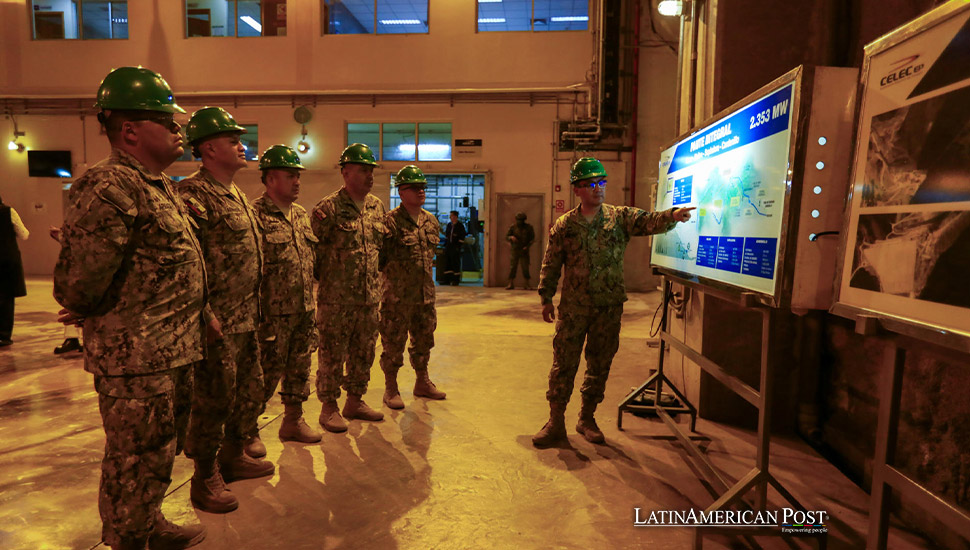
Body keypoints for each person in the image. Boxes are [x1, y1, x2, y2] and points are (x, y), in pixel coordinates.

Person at [53, 66, 207, 550]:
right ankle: (126, 538)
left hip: (172, 351)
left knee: (158, 455)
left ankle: (148, 521)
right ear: (131, 130)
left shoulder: (157, 185)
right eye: (168, 120)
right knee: (133, 458)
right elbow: (79, 284)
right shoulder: (107, 186)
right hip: (135, 360)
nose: (180, 129)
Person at [533, 157, 694, 448]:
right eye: (592, 184)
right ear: (578, 189)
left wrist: (672, 215)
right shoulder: (565, 225)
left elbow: (648, 221)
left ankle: (587, 418)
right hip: (573, 308)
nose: (599, 188)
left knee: (600, 364)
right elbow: (551, 262)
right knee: (563, 364)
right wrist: (545, 297)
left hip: (608, 307)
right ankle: (556, 421)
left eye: (602, 182)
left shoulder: (619, 217)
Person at [177, 106, 271, 514]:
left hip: (246, 317)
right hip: (216, 322)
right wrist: (204, 313)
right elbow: (188, 263)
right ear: (208, 148)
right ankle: (204, 475)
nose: (242, 145)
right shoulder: (193, 196)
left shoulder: (238, 196)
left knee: (247, 392)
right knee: (212, 400)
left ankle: (233, 456)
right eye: (233, 140)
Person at [311, 143, 387, 432]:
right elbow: (312, 256)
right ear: (345, 173)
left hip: (369, 299)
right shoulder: (327, 209)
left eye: (371, 171)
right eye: (363, 170)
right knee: (332, 354)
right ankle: (328, 407)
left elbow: (381, 252)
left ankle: (355, 400)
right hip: (336, 301)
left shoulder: (376, 206)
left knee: (364, 351)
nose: (370, 176)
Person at [251, 145, 322, 444]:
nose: (297, 182)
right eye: (290, 175)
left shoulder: (301, 215)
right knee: (263, 376)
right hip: (271, 315)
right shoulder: (254, 215)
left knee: (299, 370)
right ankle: (247, 430)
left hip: (303, 310)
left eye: (298, 176)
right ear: (269, 180)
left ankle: (293, 420)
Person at [378, 165, 447, 410]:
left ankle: (422, 382)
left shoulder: (431, 221)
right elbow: (380, 260)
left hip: (424, 296)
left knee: (424, 340)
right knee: (393, 343)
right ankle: (391, 388)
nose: (421, 192)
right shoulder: (389, 223)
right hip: (397, 297)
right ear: (401, 191)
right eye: (414, 188)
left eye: (423, 187)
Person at [49, 226, 83, 354]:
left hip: (88, 268)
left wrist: (61, 236)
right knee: (73, 304)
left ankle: (76, 340)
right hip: (78, 267)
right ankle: (72, 339)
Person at [0, 194, 28, 348]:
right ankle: (4, 336)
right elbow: (24, 235)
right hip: (6, 260)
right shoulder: (8, 212)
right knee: (6, 298)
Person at [505, 212, 535, 290]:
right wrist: (511, 237)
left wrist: (527, 246)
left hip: (524, 250)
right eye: (518, 220)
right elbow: (507, 236)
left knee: (525, 267)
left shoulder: (529, 228)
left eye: (521, 220)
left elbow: (532, 239)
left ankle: (527, 284)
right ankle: (510, 283)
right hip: (515, 249)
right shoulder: (513, 227)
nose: (519, 222)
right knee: (513, 267)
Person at [442, 210, 466, 286]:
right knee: (447, 263)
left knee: (455, 263)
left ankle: (455, 280)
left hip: (455, 247)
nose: (450, 217)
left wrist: (458, 246)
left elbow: (462, 237)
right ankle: (447, 280)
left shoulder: (460, 226)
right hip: (449, 247)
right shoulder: (449, 225)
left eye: (451, 216)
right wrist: (445, 245)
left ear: (455, 217)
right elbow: (447, 235)